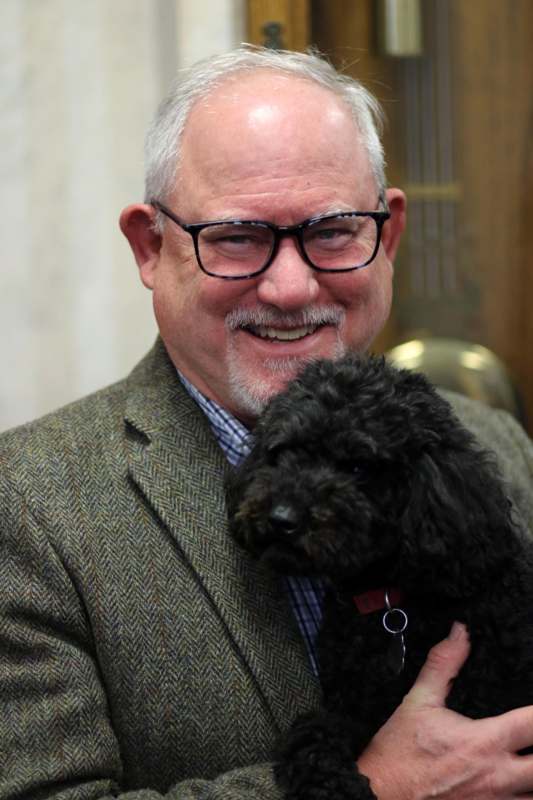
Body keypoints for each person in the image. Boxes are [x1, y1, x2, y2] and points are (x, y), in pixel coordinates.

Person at [1, 45, 533, 800]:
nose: (289, 287)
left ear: (386, 236)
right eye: (238, 238)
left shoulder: (488, 441)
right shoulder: (25, 505)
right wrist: (372, 789)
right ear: (150, 247)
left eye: (333, 230)